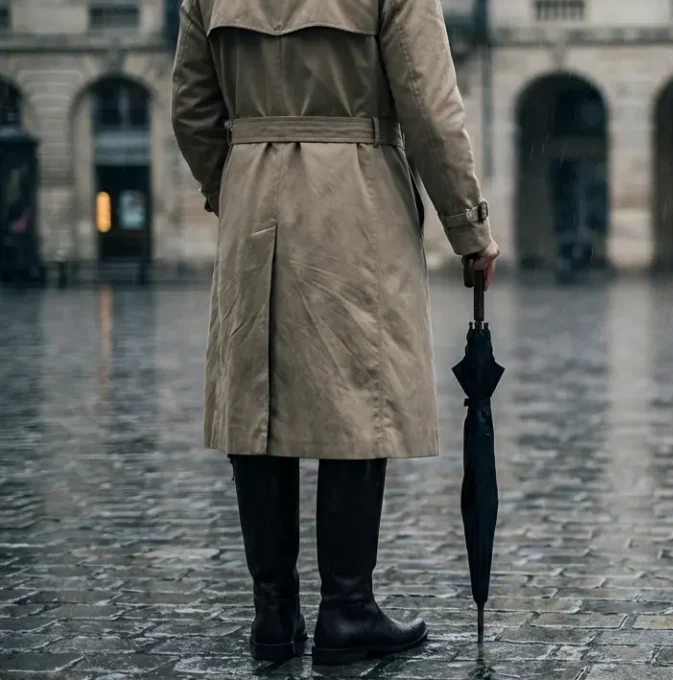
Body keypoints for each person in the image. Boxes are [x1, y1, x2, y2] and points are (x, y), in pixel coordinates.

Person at [171, 0, 500, 666]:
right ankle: (347, 608)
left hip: (251, 186)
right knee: (358, 391)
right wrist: (469, 227)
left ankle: (273, 615)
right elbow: (429, 108)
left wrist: (233, 183)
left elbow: (192, 108)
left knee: (256, 398)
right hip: (355, 188)